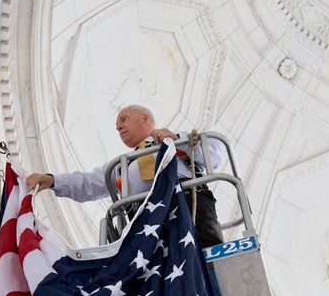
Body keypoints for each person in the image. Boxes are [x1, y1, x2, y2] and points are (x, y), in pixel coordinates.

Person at [26, 105, 225, 247]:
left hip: (188, 205)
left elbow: (215, 153)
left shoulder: (176, 139)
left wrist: (177, 141)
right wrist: (53, 181)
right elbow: (90, 182)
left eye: (123, 119)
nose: (119, 127)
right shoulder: (122, 166)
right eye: (117, 125)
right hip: (145, 219)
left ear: (145, 118)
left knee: (206, 255)